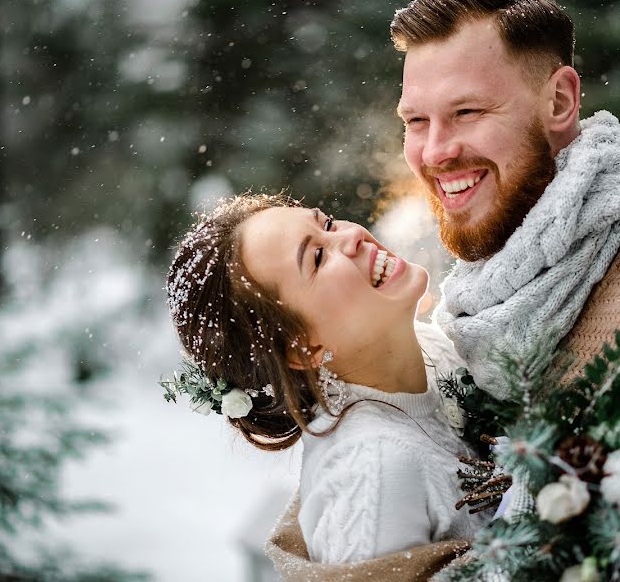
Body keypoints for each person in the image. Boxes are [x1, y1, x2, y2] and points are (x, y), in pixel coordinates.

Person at [267, 0, 620, 578]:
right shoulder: (501, 285)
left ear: (561, 101)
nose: (434, 153)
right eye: (415, 120)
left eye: (467, 112)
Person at [166, 194, 517, 581]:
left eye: (327, 223)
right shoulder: (371, 472)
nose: (350, 237)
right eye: (316, 257)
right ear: (302, 348)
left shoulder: (433, 346)